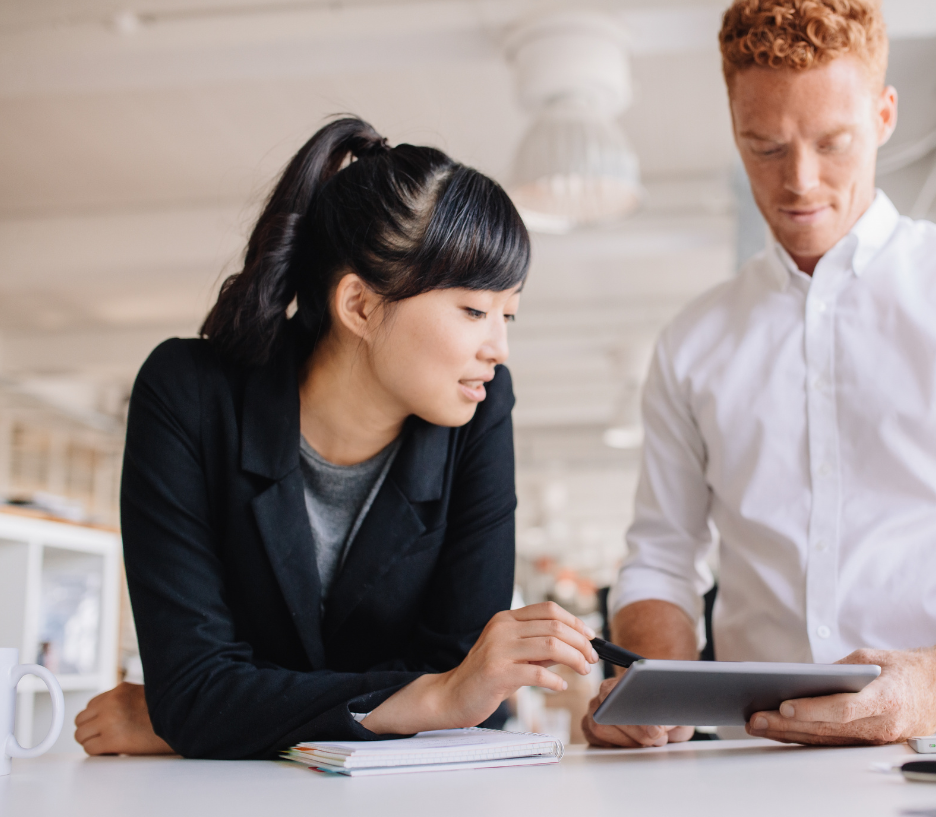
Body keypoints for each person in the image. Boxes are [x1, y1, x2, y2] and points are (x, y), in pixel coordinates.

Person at [582, 0, 936, 749]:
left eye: (833, 142)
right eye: (764, 147)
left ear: (884, 114)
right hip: (753, 758)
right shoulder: (692, 341)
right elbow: (661, 558)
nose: (800, 182)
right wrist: (652, 682)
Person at [74, 117, 599, 759]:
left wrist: (219, 717)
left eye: (507, 313)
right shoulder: (187, 394)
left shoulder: (481, 408)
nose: (499, 348)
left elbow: (475, 698)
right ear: (358, 305)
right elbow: (195, 692)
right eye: (473, 310)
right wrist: (431, 699)